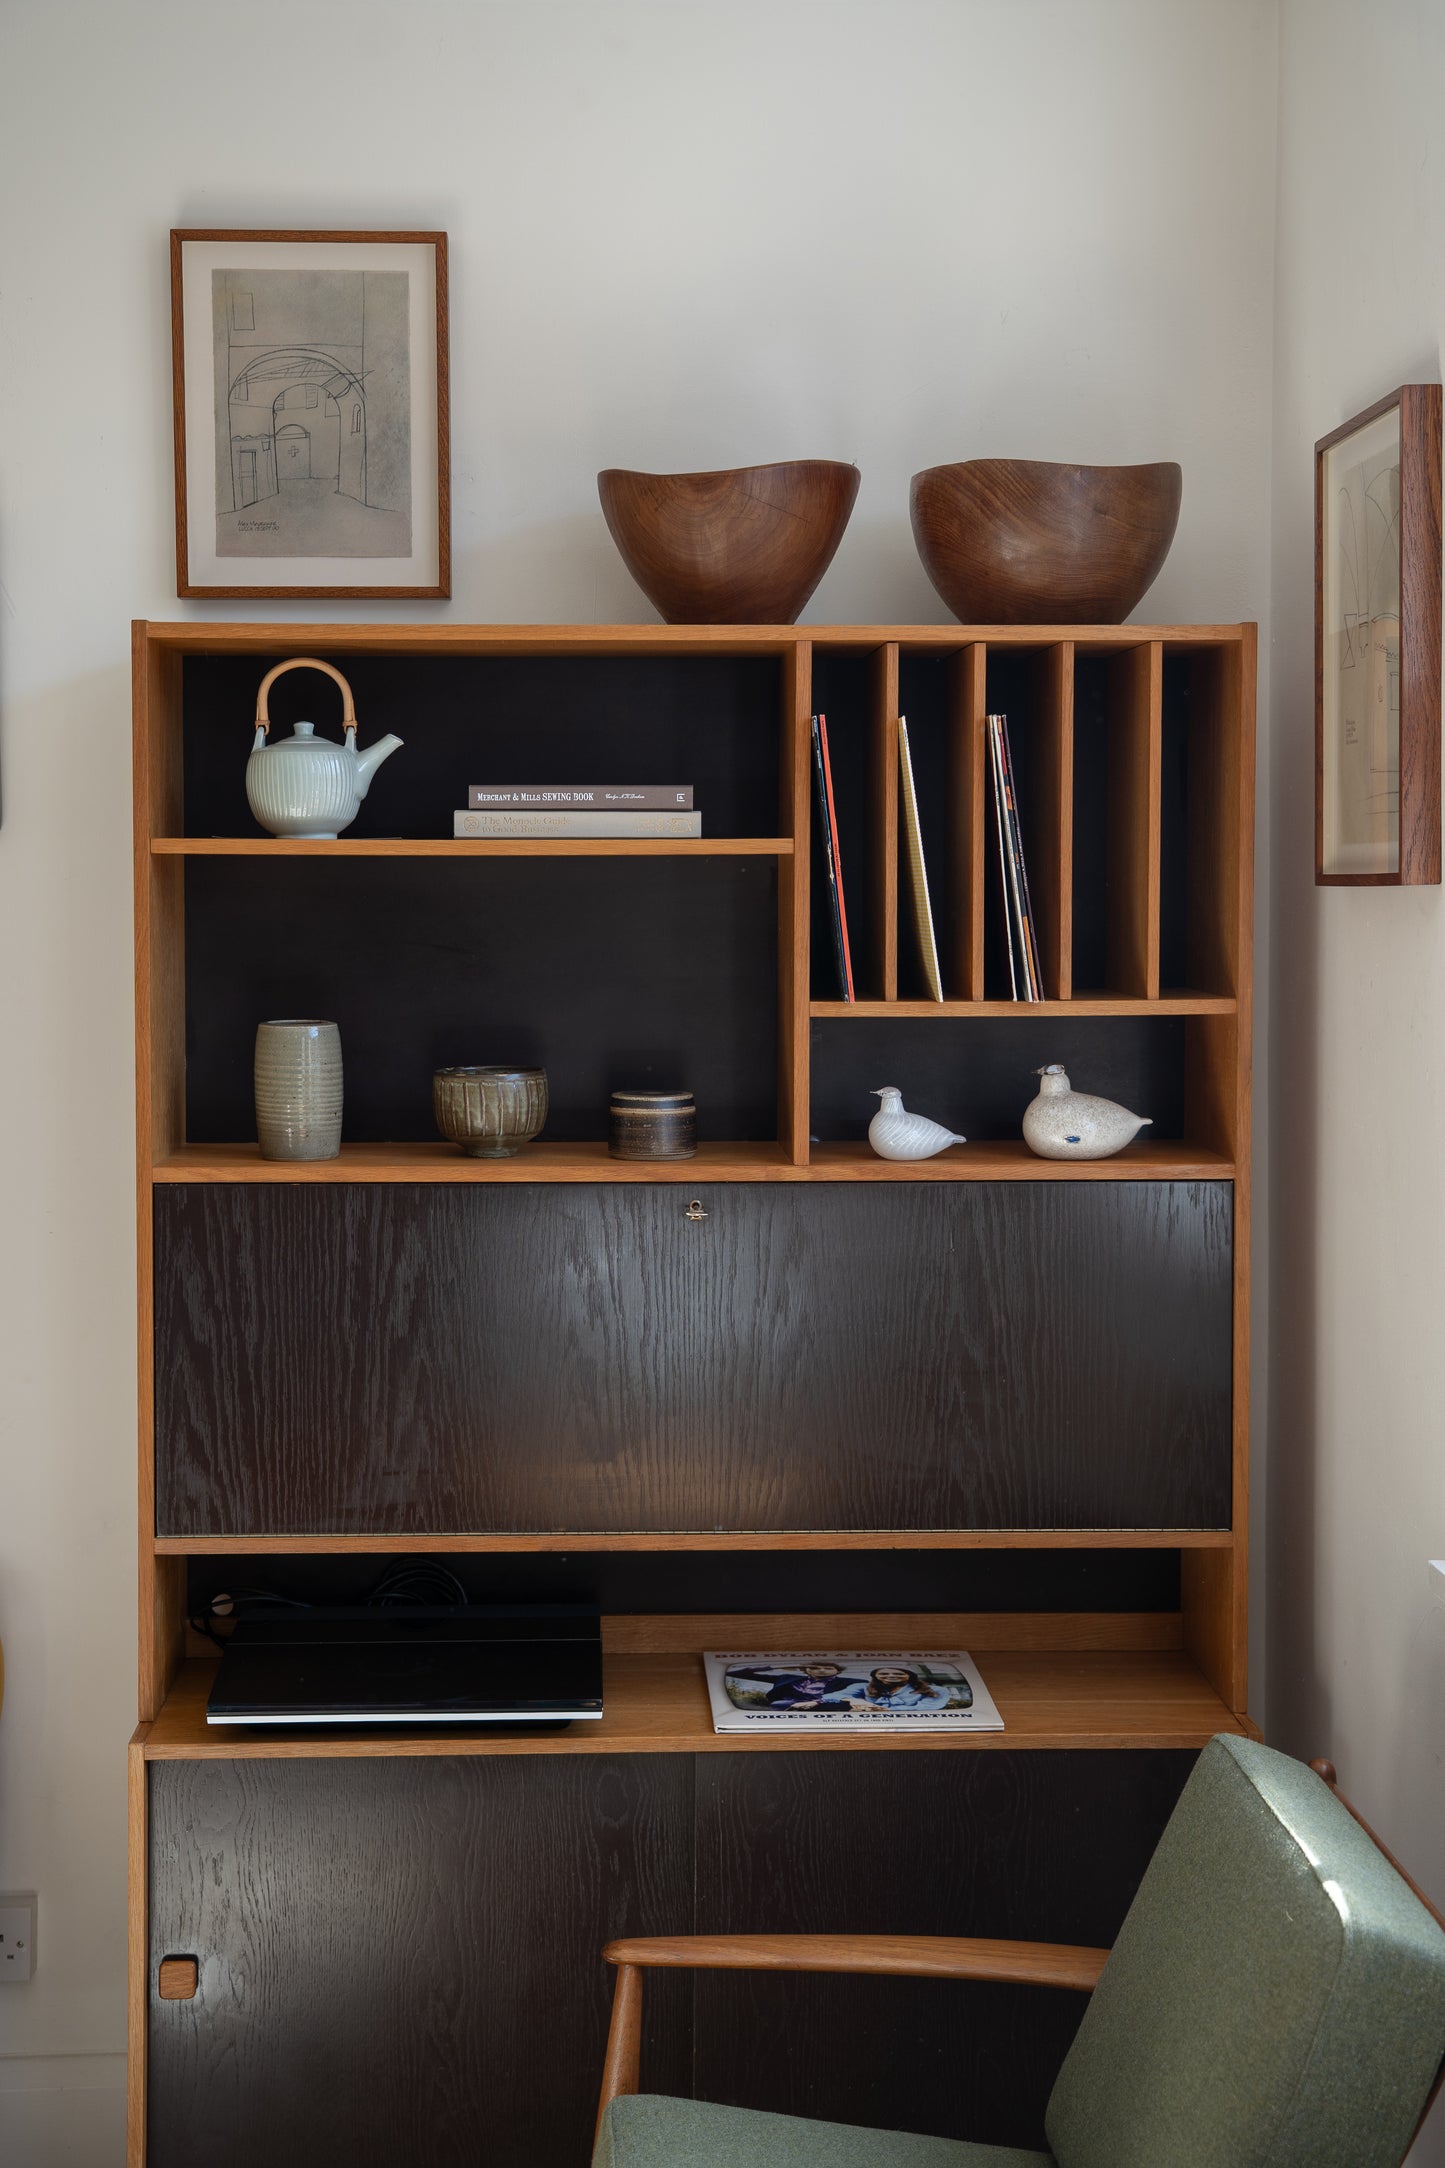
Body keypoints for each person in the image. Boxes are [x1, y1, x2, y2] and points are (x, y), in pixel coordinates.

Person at [821, 1664, 956, 1710]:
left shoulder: (937, 1690)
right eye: (884, 1673)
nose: (891, 1676)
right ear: (876, 1676)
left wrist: (877, 1709)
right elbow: (830, 1696)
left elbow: (925, 1708)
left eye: (898, 1673)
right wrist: (850, 1699)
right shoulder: (862, 1687)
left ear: (910, 1675)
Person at [725, 1661, 851, 1709]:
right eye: (816, 1668)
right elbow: (736, 1673)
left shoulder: (848, 1682)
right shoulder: (787, 1678)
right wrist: (775, 1666)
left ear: (837, 1671)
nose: (822, 1670)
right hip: (785, 1708)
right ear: (807, 1670)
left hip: (824, 1709)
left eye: (828, 1668)